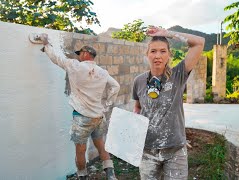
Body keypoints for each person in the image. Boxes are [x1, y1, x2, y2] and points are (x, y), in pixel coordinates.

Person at [37, 33, 120, 180]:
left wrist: (46, 44)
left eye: (79, 53)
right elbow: (116, 86)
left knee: (80, 151)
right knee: (101, 146)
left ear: (86, 53)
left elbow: (57, 59)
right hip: (98, 116)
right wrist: (107, 105)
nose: (78, 56)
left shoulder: (75, 66)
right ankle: (111, 176)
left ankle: (82, 176)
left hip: (82, 118)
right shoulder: (102, 72)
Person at [132, 27, 205, 179]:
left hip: (175, 150)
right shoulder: (139, 81)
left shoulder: (178, 75)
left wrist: (168, 34)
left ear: (169, 54)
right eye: (153, 51)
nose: (157, 56)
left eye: (162, 51)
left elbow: (199, 43)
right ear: (147, 54)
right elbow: (138, 107)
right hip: (147, 150)